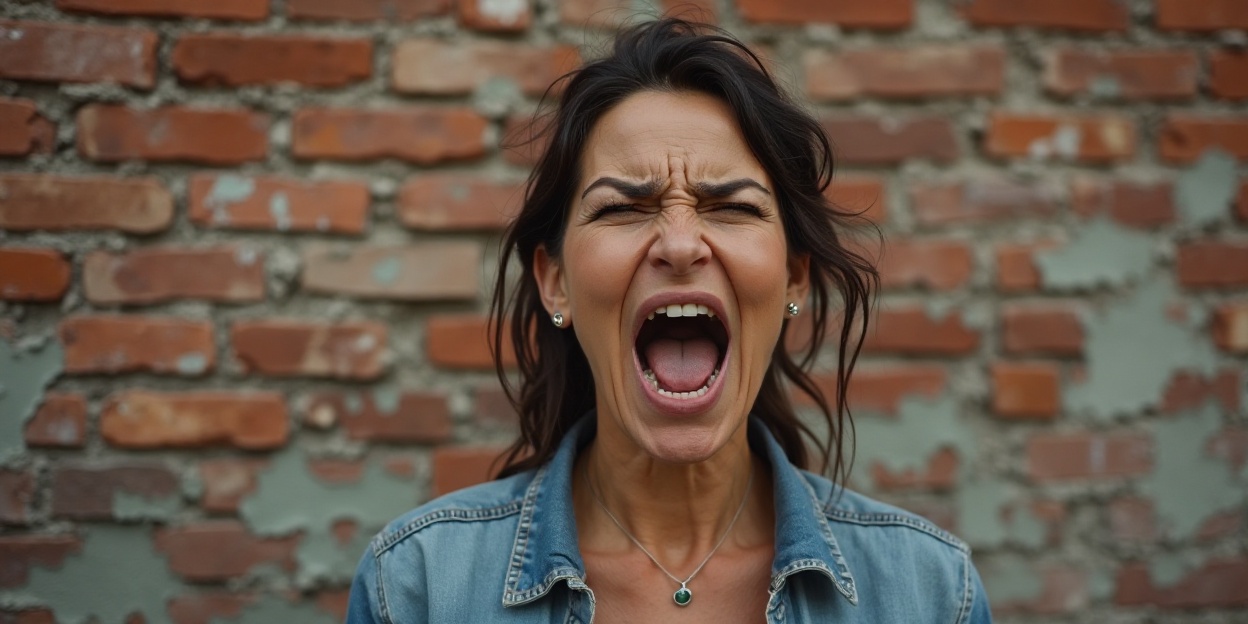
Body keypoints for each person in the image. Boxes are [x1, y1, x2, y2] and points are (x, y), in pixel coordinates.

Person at [346, 18, 992, 623]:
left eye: (732, 208)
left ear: (794, 277)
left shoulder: (930, 591)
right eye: (622, 209)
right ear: (555, 282)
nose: (680, 245)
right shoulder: (416, 586)